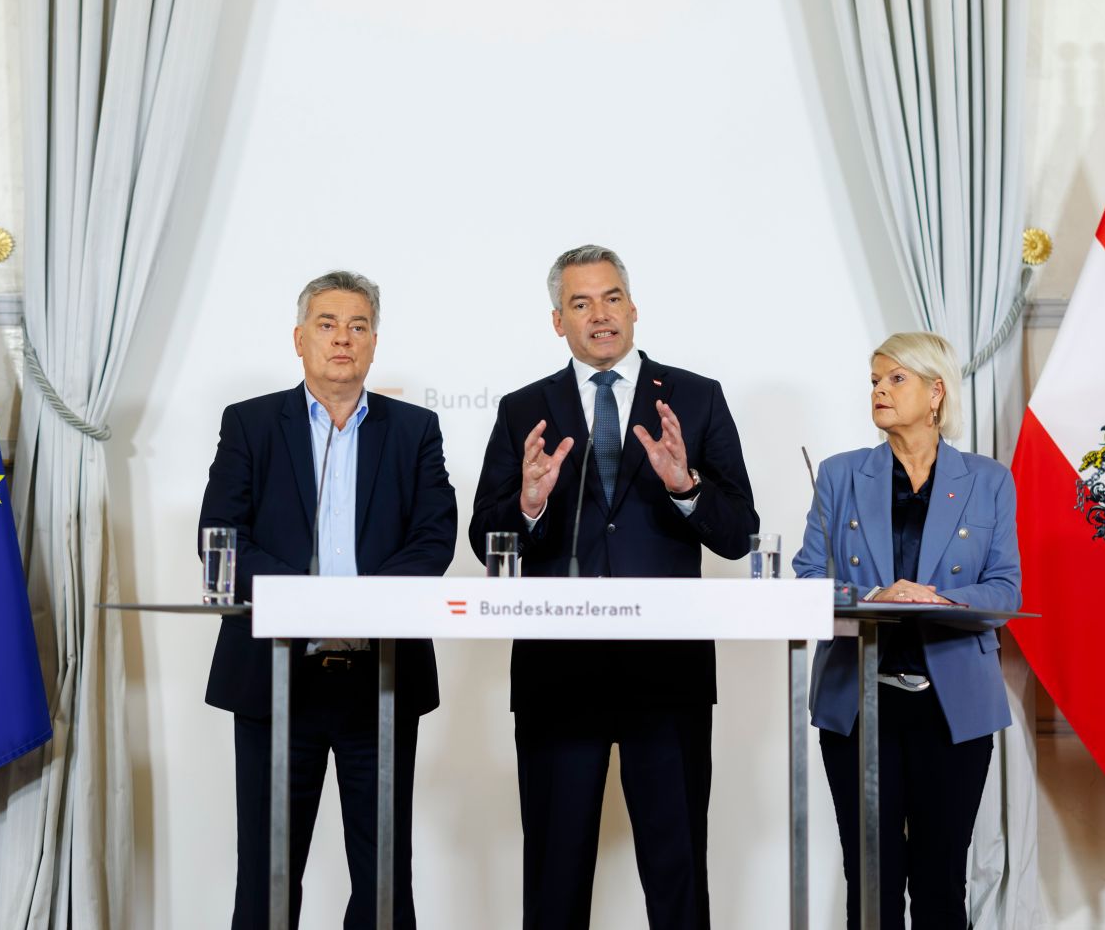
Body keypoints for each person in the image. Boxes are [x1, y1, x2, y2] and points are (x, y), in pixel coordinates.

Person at [468, 244, 759, 930]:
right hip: (557, 672)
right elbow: (486, 537)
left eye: (611, 298)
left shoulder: (694, 396)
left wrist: (686, 486)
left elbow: (739, 529)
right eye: (580, 302)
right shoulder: (523, 409)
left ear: (633, 307)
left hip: (668, 672)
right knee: (554, 871)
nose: (600, 315)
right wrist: (530, 503)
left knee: (678, 868)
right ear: (556, 320)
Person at [199, 271, 457, 930]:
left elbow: (433, 539)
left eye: (358, 325)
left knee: (383, 884)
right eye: (326, 323)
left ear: (373, 343)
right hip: (275, 680)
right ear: (299, 338)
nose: (342, 337)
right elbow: (221, 538)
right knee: (267, 880)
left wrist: (363, 607)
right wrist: (310, 602)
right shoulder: (251, 424)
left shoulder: (414, 430)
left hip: (381, 680)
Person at [792, 331, 1020, 930]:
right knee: (871, 885)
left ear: (936, 392)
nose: (879, 392)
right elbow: (806, 581)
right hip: (859, 706)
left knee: (940, 884)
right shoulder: (839, 476)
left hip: (955, 708)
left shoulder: (989, 480)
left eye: (896, 379)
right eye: (874, 381)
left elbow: (1004, 589)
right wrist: (873, 596)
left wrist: (933, 597)